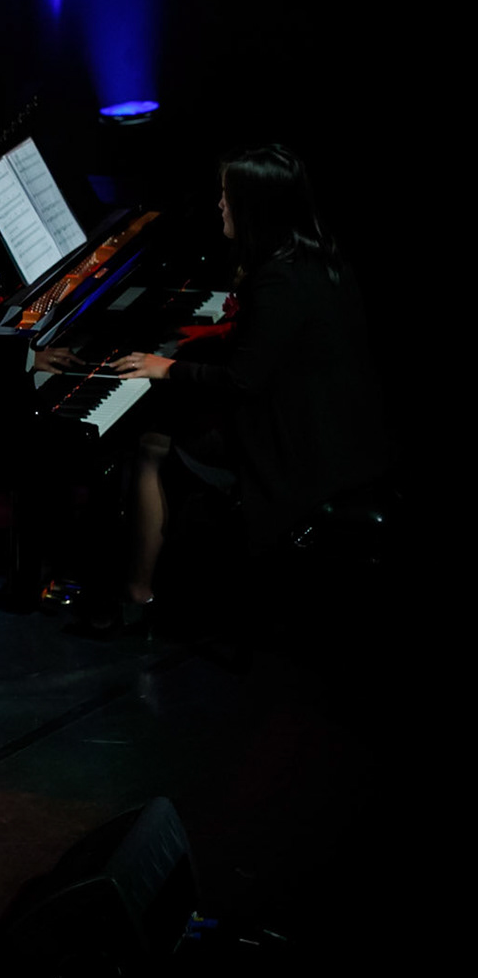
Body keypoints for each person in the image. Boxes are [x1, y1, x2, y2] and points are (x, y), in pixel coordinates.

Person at [106, 145, 385, 622]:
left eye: (227, 196)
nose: (219, 205)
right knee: (183, 420)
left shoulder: (279, 278)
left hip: (301, 447)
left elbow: (240, 382)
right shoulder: (315, 254)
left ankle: (137, 593)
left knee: (151, 445)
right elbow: (287, 335)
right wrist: (220, 332)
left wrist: (165, 367)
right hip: (341, 424)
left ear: (255, 207)